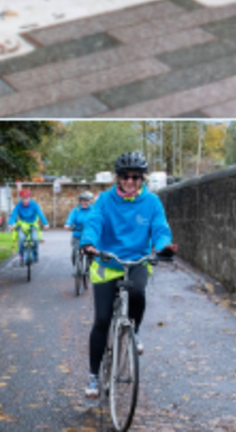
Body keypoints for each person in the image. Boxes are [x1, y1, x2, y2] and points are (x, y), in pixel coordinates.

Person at [79, 152, 176, 401]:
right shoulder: (104, 200)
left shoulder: (152, 202)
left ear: (142, 178)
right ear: (117, 178)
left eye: (135, 177)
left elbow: (160, 229)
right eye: (125, 177)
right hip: (107, 261)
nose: (130, 182)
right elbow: (94, 221)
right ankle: (92, 376)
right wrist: (88, 242)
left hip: (137, 261)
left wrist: (164, 246)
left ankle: (134, 331)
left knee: (137, 292)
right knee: (101, 320)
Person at [6, 187, 48, 264]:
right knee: (21, 239)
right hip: (22, 225)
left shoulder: (34, 205)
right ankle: (21, 256)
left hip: (33, 225)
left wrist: (45, 223)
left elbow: (40, 214)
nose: (25, 200)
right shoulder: (18, 206)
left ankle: (35, 254)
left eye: (27, 198)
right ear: (21, 198)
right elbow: (13, 215)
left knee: (35, 239)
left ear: (29, 197)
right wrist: (10, 224)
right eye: (23, 198)